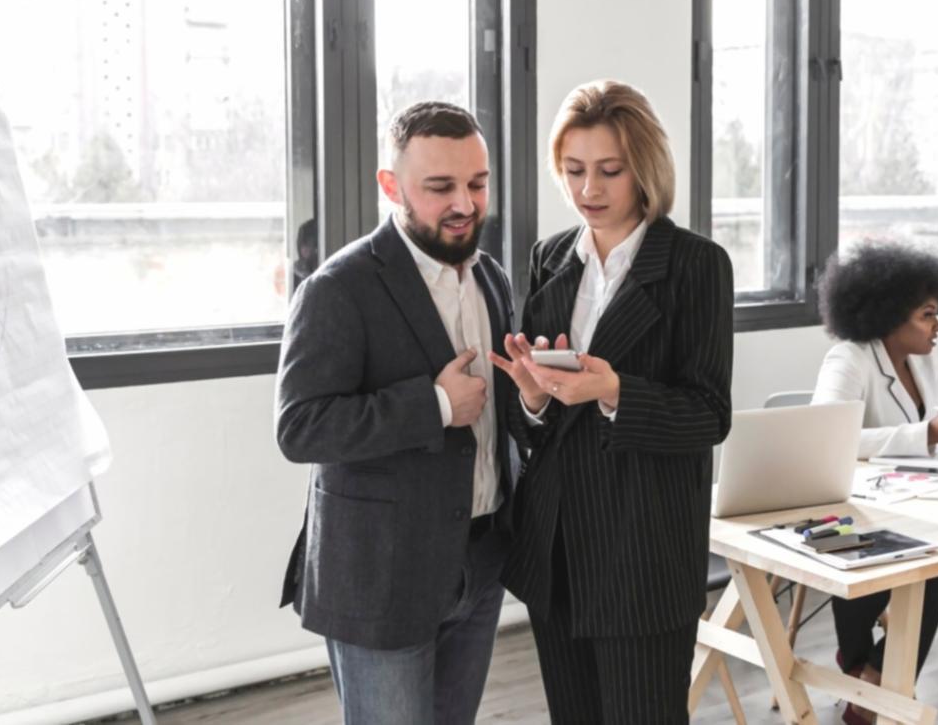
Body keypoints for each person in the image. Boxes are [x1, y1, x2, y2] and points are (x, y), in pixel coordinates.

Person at [489, 80, 733, 724]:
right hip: (556, 549)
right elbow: (530, 421)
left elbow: (709, 415)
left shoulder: (696, 265)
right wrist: (535, 399)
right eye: (572, 171)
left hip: (642, 554)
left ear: (644, 167)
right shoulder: (549, 259)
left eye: (608, 171)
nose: (588, 190)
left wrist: (615, 392)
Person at [275, 102, 517, 725]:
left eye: (477, 183)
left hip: (482, 562)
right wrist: (435, 405)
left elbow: (498, 421)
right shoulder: (335, 289)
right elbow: (300, 426)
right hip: (381, 577)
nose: (464, 203)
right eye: (440, 187)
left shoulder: (493, 278)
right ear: (391, 186)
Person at [809, 242, 938, 725]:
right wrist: (927, 433)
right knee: (928, 559)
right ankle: (865, 665)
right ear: (886, 316)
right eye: (927, 315)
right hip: (847, 510)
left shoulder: (922, 359)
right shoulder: (850, 359)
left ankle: (875, 675)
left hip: (912, 501)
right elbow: (828, 436)